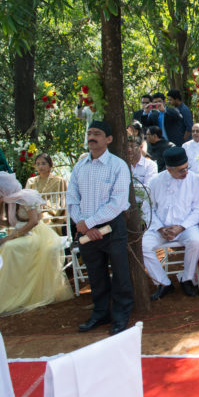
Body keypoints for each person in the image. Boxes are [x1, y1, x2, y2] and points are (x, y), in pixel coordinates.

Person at [67, 120, 133, 335]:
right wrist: (83, 224)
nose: (92, 137)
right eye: (90, 133)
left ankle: (121, 316)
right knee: (95, 275)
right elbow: (72, 199)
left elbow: (118, 202)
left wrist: (89, 223)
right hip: (86, 229)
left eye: (97, 133)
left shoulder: (118, 166)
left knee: (121, 274)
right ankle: (101, 313)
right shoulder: (80, 167)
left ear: (109, 139)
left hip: (112, 228)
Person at [0, 172, 72, 315]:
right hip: (18, 234)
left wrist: (12, 236)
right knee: (4, 247)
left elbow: (34, 221)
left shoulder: (26, 197)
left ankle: (15, 294)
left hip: (35, 235)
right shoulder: (8, 201)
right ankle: (12, 289)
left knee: (8, 247)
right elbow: (6, 223)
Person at [142, 147, 199, 300]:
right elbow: (147, 208)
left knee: (197, 241)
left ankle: (187, 278)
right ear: (169, 169)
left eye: (186, 168)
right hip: (160, 227)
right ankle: (164, 283)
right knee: (144, 246)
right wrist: (161, 228)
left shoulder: (195, 180)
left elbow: (198, 211)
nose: (185, 172)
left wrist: (181, 227)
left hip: (185, 227)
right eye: (181, 170)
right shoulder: (155, 181)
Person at [25, 153, 67, 227]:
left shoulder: (58, 180)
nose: (40, 166)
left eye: (43, 163)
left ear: (50, 165)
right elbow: (26, 200)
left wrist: (44, 206)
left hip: (50, 213)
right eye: (37, 164)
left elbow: (61, 201)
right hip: (33, 212)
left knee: (43, 218)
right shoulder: (31, 181)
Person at [126, 136, 158, 200]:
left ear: (140, 147)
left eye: (132, 146)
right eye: (127, 147)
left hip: (143, 205)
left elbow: (149, 190)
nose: (129, 149)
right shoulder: (123, 165)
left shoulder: (150, 165)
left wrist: (128, 187)